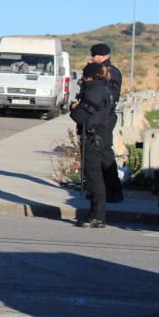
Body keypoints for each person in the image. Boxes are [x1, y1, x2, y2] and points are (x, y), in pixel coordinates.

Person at [70, 62, 114, 228]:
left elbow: (79, 116)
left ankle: (97, 215)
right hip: (99, 135)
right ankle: (96, 214)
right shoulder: (103, 88)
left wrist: (73, 108)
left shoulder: (95, 90)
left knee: (94, 177)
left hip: (93, 137)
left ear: (90, 75)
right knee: (96, 176)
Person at [89, 43, 124, 202]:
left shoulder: (111, 73)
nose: (92, 58)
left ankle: (114, 191)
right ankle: (99, 190)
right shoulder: (98, 70)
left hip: (105, 118)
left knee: (104, 154)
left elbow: (106, 96)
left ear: (102, 56)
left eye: (94, 55)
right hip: (96, 117)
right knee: (95, 156)